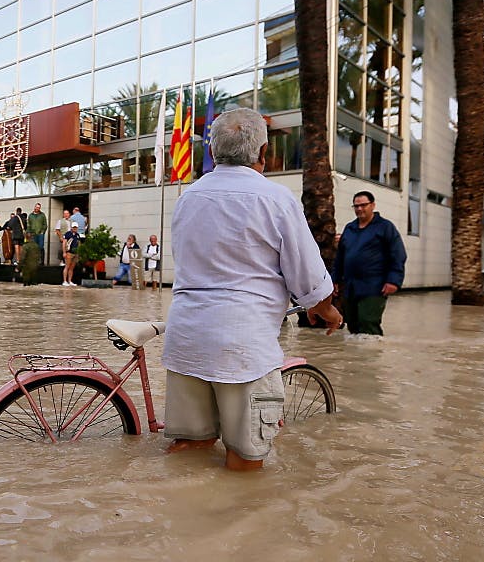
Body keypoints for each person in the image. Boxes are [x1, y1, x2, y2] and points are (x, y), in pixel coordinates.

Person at [162, 108, 342, 472]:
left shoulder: (188, 198)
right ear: (263, 153)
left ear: (212, 153)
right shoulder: (275, 198)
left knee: (191, 447)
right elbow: (308, 274)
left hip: (186, 338)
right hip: (242, 347)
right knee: (244, 460)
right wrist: (326, 309)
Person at [333, 190, 407, 336]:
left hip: (374, 286)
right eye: (356, 206)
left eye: (363, 205)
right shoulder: (350, 228)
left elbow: (398, 254)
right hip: (351, 287)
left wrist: (394, 281)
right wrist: (334, 280)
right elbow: (340, 257)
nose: (359, 209)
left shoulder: (385, 227)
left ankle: (372, 356)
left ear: (373, 205)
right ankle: (355, 357)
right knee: (352, 324)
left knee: (368, 322)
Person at [62, 221, 82, 286]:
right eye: (74, 227)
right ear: (71, 227)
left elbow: (79, 244)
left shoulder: (77, 235)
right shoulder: (68, 234)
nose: (75, 228)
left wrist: (78, 253)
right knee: (67, 266)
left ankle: (70, 280)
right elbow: (64, 243)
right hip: (69, 252)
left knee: (72, 267)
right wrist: (64, 252)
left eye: (76, 227)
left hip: (75, 253)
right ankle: (65, 281)